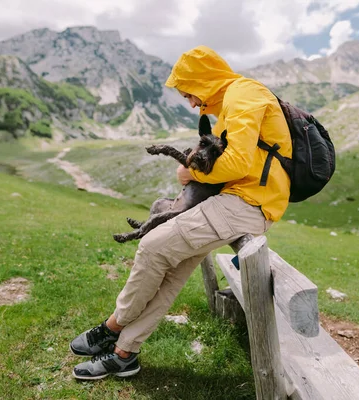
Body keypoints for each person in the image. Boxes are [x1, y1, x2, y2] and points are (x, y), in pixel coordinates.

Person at [71, 45, 292, 380]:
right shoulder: (232, 102)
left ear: (205, 80)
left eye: (190, 93)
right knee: (172, 272)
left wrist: (192, 174)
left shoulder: (243, 95)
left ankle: (112, 327)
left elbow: (238, 163)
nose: (190, 103)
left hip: (248, 203)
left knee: (152, 246)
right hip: (238, 200)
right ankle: (124, 354)